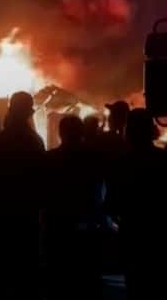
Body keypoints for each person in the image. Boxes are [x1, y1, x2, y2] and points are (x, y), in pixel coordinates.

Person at [106, 108, 167, 300]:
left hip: (134, 240)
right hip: (163, 240)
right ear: (152, 131)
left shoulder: (121, 164)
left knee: (137, 289)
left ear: (128, 131)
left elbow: (112, 205)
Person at [0, 91, 45, 298]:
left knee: (7, 261)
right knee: (27, 261)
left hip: (5, 209)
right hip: (27, 210)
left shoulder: (1, 139)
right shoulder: (33, 140)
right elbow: (41, 177)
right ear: (28, 112)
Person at [45, 115, 104, 299]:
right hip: (86, 228)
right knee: (87, 281)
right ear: (81, 133)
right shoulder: (93, 159)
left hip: (57, 228)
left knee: (59, 281)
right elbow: (98, 193)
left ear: (60, 133)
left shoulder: (49, 159)